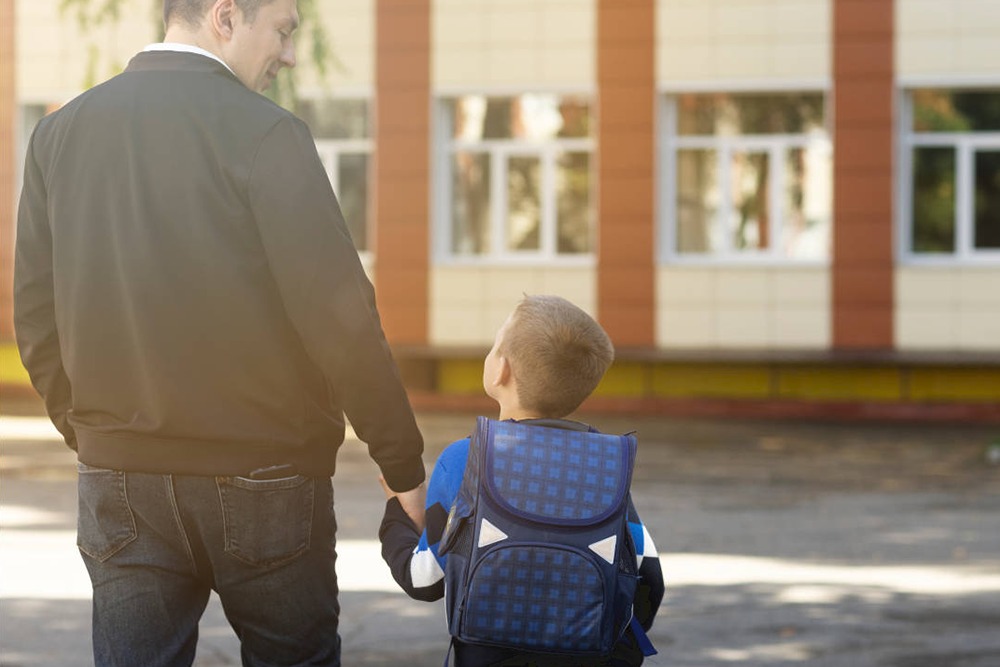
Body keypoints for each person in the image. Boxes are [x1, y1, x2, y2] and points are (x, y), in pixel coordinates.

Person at [13, 1, 427, 665]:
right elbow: (341, 318)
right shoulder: (266, 134)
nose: (289, 55)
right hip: (268, 478)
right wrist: (402, 465)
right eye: (284, 31)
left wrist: (96, 432)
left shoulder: (60, 135)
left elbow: (35, 317)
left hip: (120, 476)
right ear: (226, 16)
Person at [379, 295, 664, 666]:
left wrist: (395, 517)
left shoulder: (464, 459)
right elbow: (649, 578)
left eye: (495, 345)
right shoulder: (603, 465)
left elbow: (424, 579)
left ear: (501, 371)